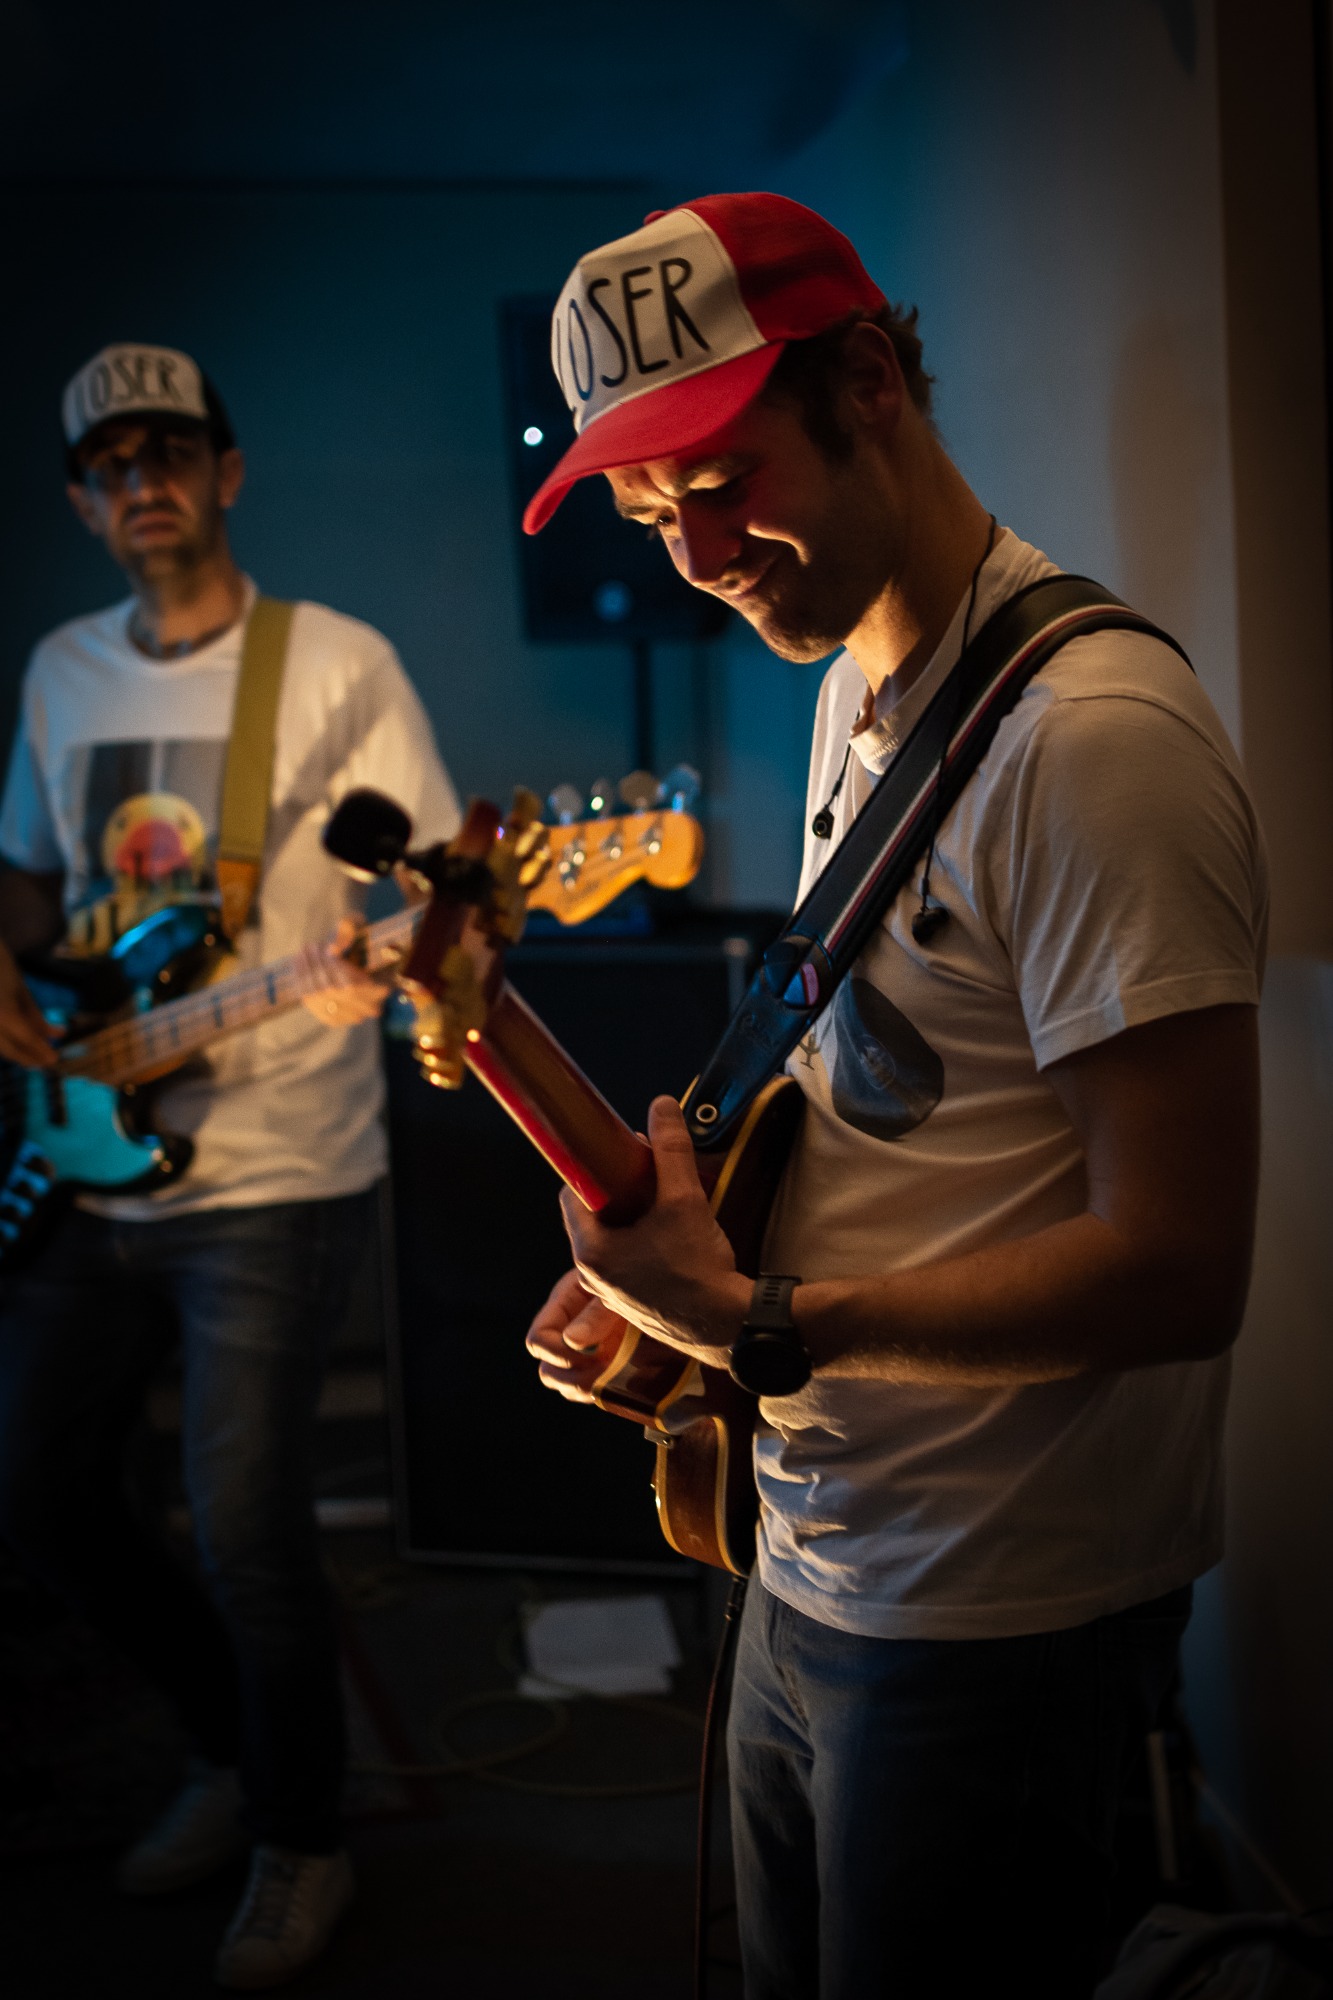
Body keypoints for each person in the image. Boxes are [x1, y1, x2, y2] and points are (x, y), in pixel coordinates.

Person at [522, 196, 1267, 1997]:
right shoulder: (858, 677)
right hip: (815, 1545)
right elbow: (884, 1100)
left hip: (993, 1608)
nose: (697, 555)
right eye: (647, 514)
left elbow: (1180, 1269)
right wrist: (688, 1286)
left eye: (721, 481)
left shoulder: (1092, 744)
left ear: (867, 381)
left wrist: (766, 1319)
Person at [0, 343, 459, 1989]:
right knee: (42, 1496)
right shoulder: (61, 671)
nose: (146, 482)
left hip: (275, 1166)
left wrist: (392, 958)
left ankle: (301, 1838)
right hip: (86, 1148)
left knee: (247, 1517)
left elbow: (426, 895)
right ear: (83, 499)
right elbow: (31, 885)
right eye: (113, 463)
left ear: (227, 473)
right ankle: (227, 1749)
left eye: (173, 452)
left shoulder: (335, 663)